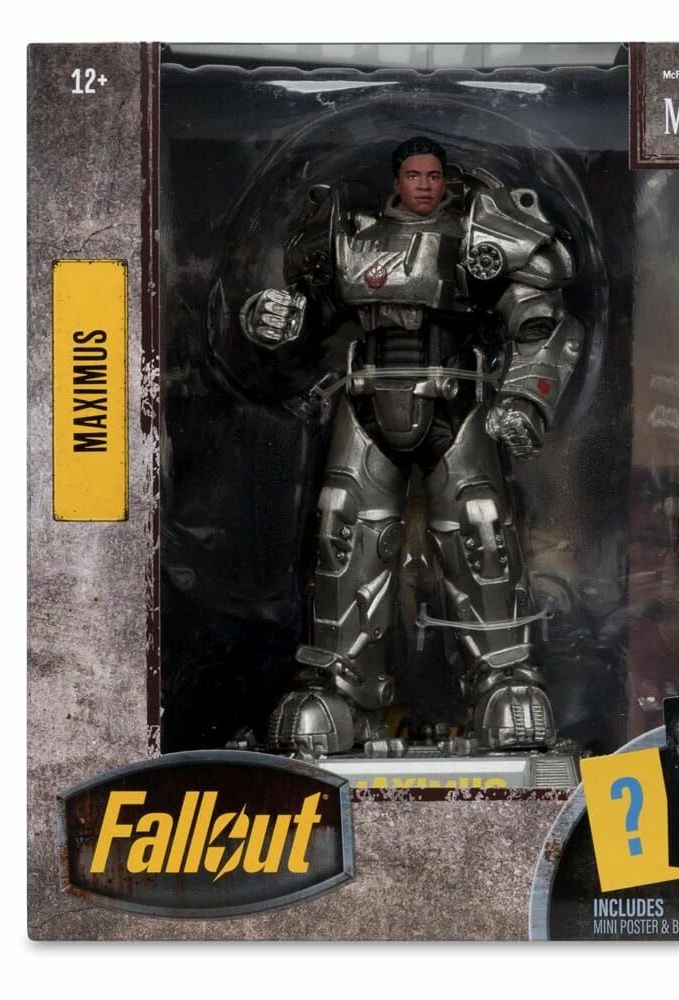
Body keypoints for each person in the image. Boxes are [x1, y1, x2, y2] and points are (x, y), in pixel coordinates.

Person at [239, 136, 583, 756]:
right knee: (342, 530)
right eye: (413, 175)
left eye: (433, 175)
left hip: (457, 401)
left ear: (445, 179)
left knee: (481, 531)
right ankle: (341, 685)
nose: (424, 185)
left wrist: (525, 398)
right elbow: (310, 310)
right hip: (365, 400)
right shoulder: (350, 234)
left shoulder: (479, 231)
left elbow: (539, 319)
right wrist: (274, 316)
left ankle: (504, 676)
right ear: (396, 179)